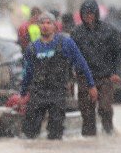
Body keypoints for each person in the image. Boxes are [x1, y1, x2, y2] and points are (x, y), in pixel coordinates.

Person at [20, 12, 97, 140]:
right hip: (37, 93)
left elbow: (81, 63)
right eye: (42, 23)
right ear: (38, 26)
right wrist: (23, 94)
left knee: (55, 134)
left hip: (58, 93)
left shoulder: (66, 43)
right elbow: (28, 72)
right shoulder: (32, 48)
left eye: (48, 23)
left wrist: (91, 85)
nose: (45, 26)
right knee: (29, 134)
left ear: (55, 25)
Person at [71, 0, 121, 135]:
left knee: (105, 108)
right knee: (87, 112)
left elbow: (118, 53)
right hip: (84, 78)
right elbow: (70, 56)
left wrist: (116, 72)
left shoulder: (109, 31)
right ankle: (89, 142)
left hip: (105, 77)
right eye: (85, 13)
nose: (88, 16)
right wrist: (70, 75)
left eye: (91, 13)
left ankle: (108, 133)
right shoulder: (76, 33)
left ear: (96, 14)